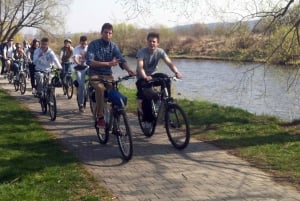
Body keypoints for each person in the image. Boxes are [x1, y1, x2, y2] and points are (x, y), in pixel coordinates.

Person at [86, 22, 136, 127]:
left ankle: (116, 118)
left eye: (110, 33)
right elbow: (90, 61)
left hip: (108, 76)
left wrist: (129, 70)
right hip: (95, 75)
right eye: (105, 32)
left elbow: (121, 59)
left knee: (114, 93)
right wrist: (108, 63)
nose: (107, 35)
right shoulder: (93, 44)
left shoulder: (113, 46)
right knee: (100, 89)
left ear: (112, 34)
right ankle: (100, 117)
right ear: (101, 33)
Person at [135, 32, 183, 123]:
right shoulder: (141, 52)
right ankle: (149, 114)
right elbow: (140, 67)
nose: (151, 43)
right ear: (147, 42)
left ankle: (167, 101)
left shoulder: (160, 51)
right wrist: (145, 77)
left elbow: (169, 63)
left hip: (153, 75)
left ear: (158, 43)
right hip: (142, 76)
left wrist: (177, 72)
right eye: (150, 41)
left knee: (166, 78)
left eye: (154, 42)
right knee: (148, 95)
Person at [72, 35, 89, 112]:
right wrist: (78, 63)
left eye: (85, 44)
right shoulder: (76, 48)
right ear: (80, 43)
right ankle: (81, 105)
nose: (83, 45)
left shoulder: (89, 48)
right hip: (78, 68)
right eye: (82, 44)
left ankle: (91, 93)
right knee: (81, 85)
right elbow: (74, 58)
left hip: (87, 67)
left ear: (86, 42)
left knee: (95, 78)